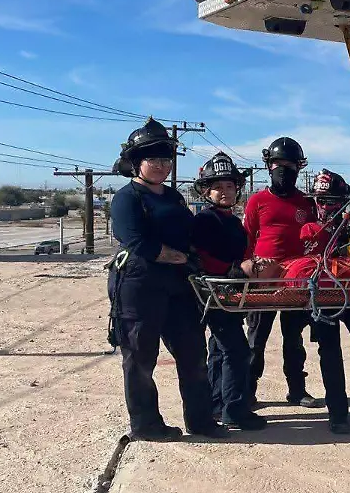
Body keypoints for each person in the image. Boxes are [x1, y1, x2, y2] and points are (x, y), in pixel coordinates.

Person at [106, 118, 221, 441]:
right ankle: (146, 425)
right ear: (135, 163)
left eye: (165, 159)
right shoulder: (127, 199)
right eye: (152, 159)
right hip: (138, 288)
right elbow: (139, 243)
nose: (160, 165)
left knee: (193, 354)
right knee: (141, 360)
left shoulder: (173, 198)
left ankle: (201, 421)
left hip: (179, 288)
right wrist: (184, 257)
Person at [299, 169, 350, 434]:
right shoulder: (310, 229)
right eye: (321, 200)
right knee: (330, 352)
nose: (326, 206)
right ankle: (337, 412)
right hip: (323, 298)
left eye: (332, 200)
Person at [242, 137, 323, 409]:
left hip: (296, 280)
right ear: (268, 166)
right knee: (256, 338)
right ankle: (248, 391)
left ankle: (297, 390)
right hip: (264, 280)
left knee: (294, 338)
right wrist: (248, 269)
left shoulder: (306, 203)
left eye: (289, 165)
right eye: (278, 164)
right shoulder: (257, 201)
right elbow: (247, 239)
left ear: (299, 168)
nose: (283, 169)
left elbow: (313, 240)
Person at [190, 152, 268, 431]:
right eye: (218, 187)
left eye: (230, 187)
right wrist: (237, 269)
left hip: (230, 295)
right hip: (214, 293)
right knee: (236, 351)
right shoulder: (205, 221)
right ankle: (235, 410)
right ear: (207, 191)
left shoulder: (233, 222)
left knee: (219, 350)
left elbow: (244, 254)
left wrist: (254, 264)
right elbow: (203, 257)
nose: (225, 192)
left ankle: (217, 403)